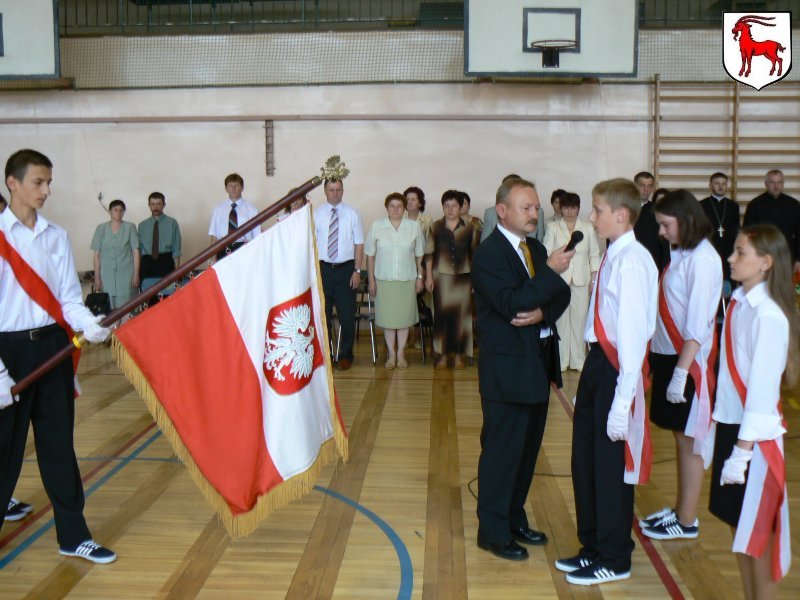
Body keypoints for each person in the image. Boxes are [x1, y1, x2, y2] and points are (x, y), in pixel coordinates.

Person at [0, 149, 114, 562]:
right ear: (13, 183)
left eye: (49, 182)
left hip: (52, 347)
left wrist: (90, 324)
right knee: (3, 452)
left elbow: (68, 299)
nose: (46, 190)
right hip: (6, 353)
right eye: (38, 182)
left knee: (58, 447)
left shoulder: (56, 236)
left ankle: (73, 534)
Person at [557, 178, 658, 585]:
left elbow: (632, 338)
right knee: (586, 462)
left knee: (610, 467)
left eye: (598, 210)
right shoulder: (614, 253)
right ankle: (594, 546)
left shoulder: (633, 261)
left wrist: (621, 404)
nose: (592, 217)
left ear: (621, 214)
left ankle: (615, 555)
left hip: (619, 368)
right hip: (600, 365)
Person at [472, 177, 571, 561]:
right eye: (526, 208)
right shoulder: (490, 254)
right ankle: (492, 531)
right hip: (506, 370)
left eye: (536, 208)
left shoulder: (536, 248)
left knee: (527, 451)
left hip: (537, 364)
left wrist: (543, 312)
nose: (534, 214)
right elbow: (512, 304)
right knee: (502, 452)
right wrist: (547, 274)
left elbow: (559, 294)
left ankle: (514, 517)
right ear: (502, 211)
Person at [709, 224, 797, 598]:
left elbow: (760, 393)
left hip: (754, 443)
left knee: (757, 540)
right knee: (739, 534)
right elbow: (729, 379)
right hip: (733, 428)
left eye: (740, 252)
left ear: (764, 262)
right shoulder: (739, 304)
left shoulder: (768, 316)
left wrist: (741, 455)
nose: (730, 258)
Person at [640, 190, 722, 541]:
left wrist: (680, 371)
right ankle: (679, 511)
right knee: (680, 436)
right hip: (670, 354)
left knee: (690, 439)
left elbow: (699, 322)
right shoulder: (683, 252)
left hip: (686, 361)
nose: (661, 232)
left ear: (686, 221)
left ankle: (687, 520)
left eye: (665, 225)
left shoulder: (703, 259)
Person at [365, 193, 425, 369]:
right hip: (384, 280)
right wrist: (371, 281)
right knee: (389, 320)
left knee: (404, 319)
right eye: (392, 206)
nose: (396, 209)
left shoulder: (413, 227)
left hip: (407, 280)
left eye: (399, 206)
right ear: (387, 208)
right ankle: (391, 354)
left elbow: (419, 256)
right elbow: (370, 257)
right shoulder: (377, 226)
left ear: (405, 208)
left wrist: (420, 278)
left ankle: (401, 355)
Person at [543, 192, 600, 372]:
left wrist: (594, 279)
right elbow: (546, 253)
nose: (569, 211)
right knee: (560, 321)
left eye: (573, 207)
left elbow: (594, 254)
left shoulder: (587, 228)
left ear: (578, 208)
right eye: (566, 207)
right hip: (559, 279)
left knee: (580, 319)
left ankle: (578, 360)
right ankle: (560, 361)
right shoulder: (552, 227)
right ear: (561, 208)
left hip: (581, 280)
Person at [425, 190, 479, 369]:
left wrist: (474, 281)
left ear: (461, 207)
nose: (450, 209)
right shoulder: (436, 227)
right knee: (442, 317)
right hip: (441, 277)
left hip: (464, 278)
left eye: (454, 205)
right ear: (442, 207)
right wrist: (428, 277)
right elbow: (429, 254)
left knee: (462, 318)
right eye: (446, 206)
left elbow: (475, 256)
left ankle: (458, 356)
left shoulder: (470, 228)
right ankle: (442, 355)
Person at [314, 178, 364, 371]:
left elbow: (359, 244)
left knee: (347, 316)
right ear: (325, 192)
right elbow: (311, 244)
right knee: (323, 315)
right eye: (331, 190)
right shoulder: (317, 214)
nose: (335, 193)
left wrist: (357, 271)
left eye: (338, 190)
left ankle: (345, 355)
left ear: (343, 191)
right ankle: (326, 355)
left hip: (346, 270)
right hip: (324, 269)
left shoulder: (352, 214)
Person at [743, 169, 800, 273]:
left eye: (779, 182)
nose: (776, 186)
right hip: (762, 257)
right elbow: (748, 235)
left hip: (787, 257)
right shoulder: (755, 205)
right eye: (773, 182)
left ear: (783, 183)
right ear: (766, 184)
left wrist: (798, 259)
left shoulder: (794, 205)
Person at [91, 199, 140, 310]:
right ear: (110, 211)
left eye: (121, 210)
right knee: (109, 307)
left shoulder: (130, 227)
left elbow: (136, 252)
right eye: (116, 210)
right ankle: (114, 328)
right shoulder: (101, 229)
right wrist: (97, 277)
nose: (118, 212)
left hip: (127, 275)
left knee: (128, 307)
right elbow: (97, 255)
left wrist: (136, 274)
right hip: (107, 275)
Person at [700, 173, 740, 289]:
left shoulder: (733, 206)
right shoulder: (702, 205)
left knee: (728, 286)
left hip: (729, 252)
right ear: (710, 185)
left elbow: (736, 230)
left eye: (723, 183)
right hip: (709, 250)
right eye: (717, 183)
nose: (720, 186)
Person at [208, 173, 259, 261]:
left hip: (244, 249)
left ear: (242, 188)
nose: (233, 188)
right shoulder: (218, 210)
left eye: (236, 185)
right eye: (230, 185)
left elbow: (257, 236)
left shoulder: (251, 209)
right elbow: (214, 235)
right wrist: (213, 259)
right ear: (226, 189)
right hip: (223, 249)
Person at [138, 192, 182, 294]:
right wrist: (138, 274)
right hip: (147, 264)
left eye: (158, 204)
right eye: (153, 204)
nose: (156, 207)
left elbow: (176, 250)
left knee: (168, 297)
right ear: (149, 205)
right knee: (148, 298)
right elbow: (139, 251)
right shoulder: (142, 225)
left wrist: (177, 273)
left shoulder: (172, 223)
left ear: (164, 205)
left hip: (166, 262)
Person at [482, 174, 545, 243]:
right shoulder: (490, 213)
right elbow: (485, 240)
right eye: (526, 208)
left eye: (537, 208)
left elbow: (540, 238)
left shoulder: (539, 248)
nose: (535, 215)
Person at [633, 171, 670, 272]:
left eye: (649, 186)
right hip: (629, 265)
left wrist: (664, 271)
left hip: (652, 267)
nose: (646, 189)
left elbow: (665, 246)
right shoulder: (624, 209)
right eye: (642, 185)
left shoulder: (658, 211)